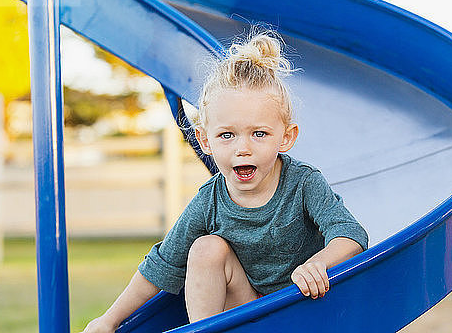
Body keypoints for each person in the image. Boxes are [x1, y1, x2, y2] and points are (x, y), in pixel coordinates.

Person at [81, 27, 368, 333]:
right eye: (226, 135)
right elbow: (161, 265)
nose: (242, 148)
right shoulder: (210, 201)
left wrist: (318, 264)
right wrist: (108, 320)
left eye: (259, 133)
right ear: (205, 141)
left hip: (307, 308)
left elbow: (351, 235)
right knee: (206, 248)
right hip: (247, 311)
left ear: (286, 137)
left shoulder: (303, 183)